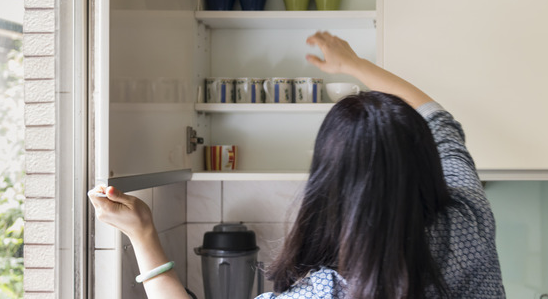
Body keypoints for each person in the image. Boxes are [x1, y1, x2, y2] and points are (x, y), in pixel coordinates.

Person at [88, 31, 505, 299]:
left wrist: (142, 234)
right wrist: (354, 66)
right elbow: (438, 118)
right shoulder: (471, 217)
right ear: (425, 159)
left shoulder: (326, 292)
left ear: (330, 182)